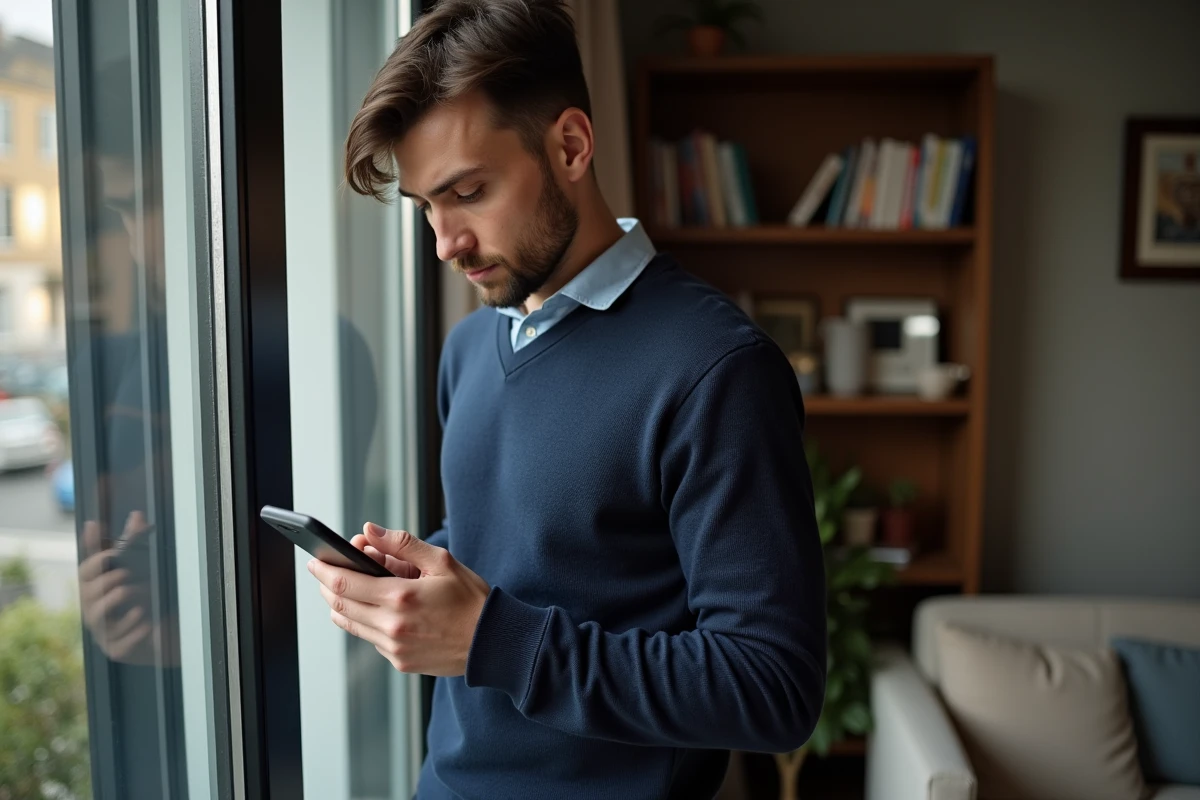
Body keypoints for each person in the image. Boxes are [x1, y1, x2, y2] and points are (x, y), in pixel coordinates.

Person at [304, 1, 827, 797]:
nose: (445, 242)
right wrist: (415, 582)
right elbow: (527, 554)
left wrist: (493, 639)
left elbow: (772, 688)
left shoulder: (717, 369)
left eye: (469, 192)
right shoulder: (471, 348)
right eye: (426, 207)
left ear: (572, 146)